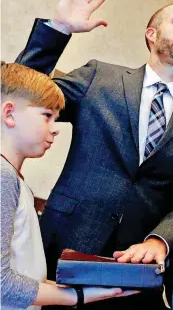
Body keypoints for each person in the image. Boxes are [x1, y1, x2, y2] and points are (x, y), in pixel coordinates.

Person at [16, 0, 173, 310]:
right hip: (64, 252)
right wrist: (59, 28)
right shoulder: (99, 78)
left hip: (138, 270)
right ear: (152, 34)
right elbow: (23, 93)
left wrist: (161, 241)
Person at [0, 62, 137, 309]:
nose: (55, 129)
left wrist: (91, 290)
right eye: (47, 116)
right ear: (9, 113)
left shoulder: (12, 177)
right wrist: (79, 297)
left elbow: (25, 276)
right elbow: (2, 284)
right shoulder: (3, 177)